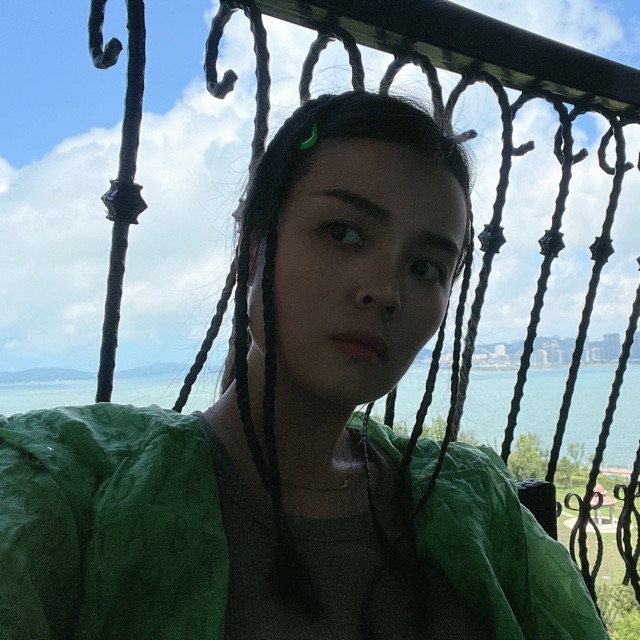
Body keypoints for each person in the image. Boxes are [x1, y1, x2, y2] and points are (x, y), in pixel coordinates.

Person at [0, 91, 609, 639]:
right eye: (343, 232)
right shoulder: (72, 491)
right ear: (254, 248)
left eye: (426, 267)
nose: (384, 290)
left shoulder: (470, 501)